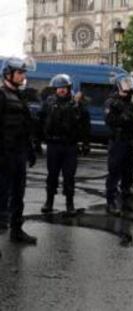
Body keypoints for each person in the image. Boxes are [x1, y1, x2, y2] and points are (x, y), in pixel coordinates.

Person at [40, 74, 90, 215]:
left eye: (64, 88)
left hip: (70, 145)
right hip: (53, 144)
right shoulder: (49, 103)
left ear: (68, 88)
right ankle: (49, 202)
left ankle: (70, 203)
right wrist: (36, 141)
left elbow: (85, 124)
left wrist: (86, 143)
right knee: (52, 175)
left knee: (69, 176)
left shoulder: (76, 104)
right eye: (58, 88)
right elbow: (40, 121)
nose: (61, 90)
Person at [0, 57, 37, 244]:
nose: (23, 76)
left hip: (19, 154)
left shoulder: (21, 97)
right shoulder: (1, 95)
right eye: (20, 72)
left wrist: (30, 150)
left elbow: (25, 127)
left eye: (24, 72)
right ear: (8, 74)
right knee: (2, 196)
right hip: (4, 155)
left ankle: (16, 231)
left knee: (18, 194)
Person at [105, 74, 133, 214]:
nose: (128, 89)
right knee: (114, 173)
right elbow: (110, 121)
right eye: (125, 85)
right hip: (117, 141)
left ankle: (126, 202)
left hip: (128, 141)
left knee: (128, 174)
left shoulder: (130, 103)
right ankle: (111, 203)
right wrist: (124, 118)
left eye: (129, 85)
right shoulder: (112, 102)